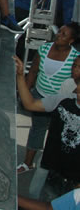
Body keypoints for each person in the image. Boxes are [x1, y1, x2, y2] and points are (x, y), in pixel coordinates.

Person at [15, 55, 80, 199]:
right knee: (35, 194)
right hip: (52, 160)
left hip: (74, 174)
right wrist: (20, 76)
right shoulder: (63, 99)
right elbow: (30, 104)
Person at [17, 23, 79, 173]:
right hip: (40, 96)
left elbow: (75, 83)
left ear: (71, 40)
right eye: (60, 32)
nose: (58, 35)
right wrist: (25, 91)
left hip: (61, 102)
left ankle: (53, 166)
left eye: (64, 34)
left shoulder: (76, 59)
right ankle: (28, 163)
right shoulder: (44, 49)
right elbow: (33, 72)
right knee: (37, 129)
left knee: (58, 134)